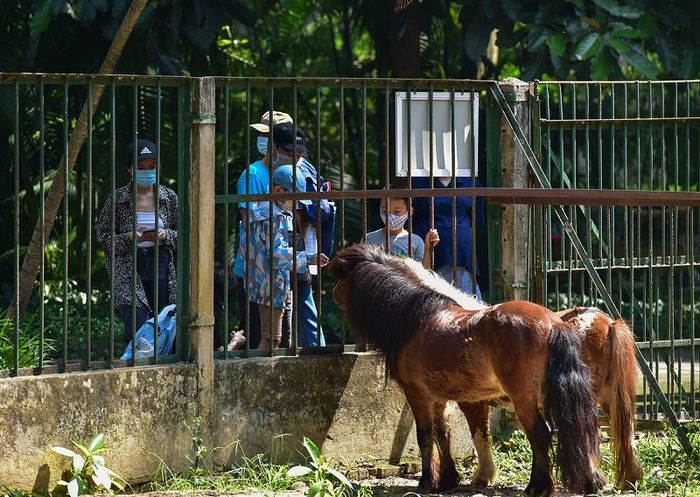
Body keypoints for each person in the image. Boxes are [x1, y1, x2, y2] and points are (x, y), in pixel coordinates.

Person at [96, 138, 178, 344]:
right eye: (141, 167)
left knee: (162, 322)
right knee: (137, 325)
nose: (147, 172)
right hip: (128, 267)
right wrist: (129, 238)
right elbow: (103, 237)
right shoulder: (118, 199)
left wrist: (165, 235)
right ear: (130, 169)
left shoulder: (169, 197)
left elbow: (184, 234)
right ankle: (136, 367)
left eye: (152, 167)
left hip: (161, 264)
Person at [243, 163, 329, 350]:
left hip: (258, 281)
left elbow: (245, 248)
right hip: (273, 284)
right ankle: (262, 376)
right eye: (294, 198)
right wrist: (308, 258)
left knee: (272, 337)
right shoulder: (277, 216)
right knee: (271, 340)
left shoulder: (256, 208)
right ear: (278, 191)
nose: (296, 204)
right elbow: (276, 254)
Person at [233, 110, 293, 349]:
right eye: (262, 135)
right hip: (255, 271)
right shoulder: (253, 175)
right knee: (259, 340)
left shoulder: (292, 173)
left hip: (282, 269)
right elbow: (253, 224)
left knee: (282, 341)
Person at [271, 123, 328, 348]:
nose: (295, 158)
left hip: (299, 251)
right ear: (273, 146)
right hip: (274, 265)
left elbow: (311, 212)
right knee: (274, 329)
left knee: (306, 311)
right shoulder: (258, 174)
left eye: (298, 154)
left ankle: (319, 353)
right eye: (289, 153)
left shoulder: (306, 171)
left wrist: (306, 255)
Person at [411, 175, 485, 299]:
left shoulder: (470, 181)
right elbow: (409, 219)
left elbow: (478, 221)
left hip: (463, 258)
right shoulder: (417, 181)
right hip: (428, 259)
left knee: (470, 308)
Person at [364, 184, 440, 269]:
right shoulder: (368, 239)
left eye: (396, 212)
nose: (390, 216)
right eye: (385, 211)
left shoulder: (416, 241)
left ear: (410, 211)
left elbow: (424, 274)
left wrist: (428, 250)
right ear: (379, 209)